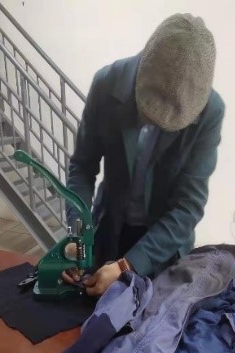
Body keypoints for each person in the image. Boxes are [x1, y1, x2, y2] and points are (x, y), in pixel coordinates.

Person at [64, 14, 225, 295]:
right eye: (150, 113)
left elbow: (188, 205)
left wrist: (129, 265)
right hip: (108, 232)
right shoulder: (106, 84)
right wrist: (77, 234)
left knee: (152, 318)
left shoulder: (211, 110)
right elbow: (82, 167)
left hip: (164, 246)